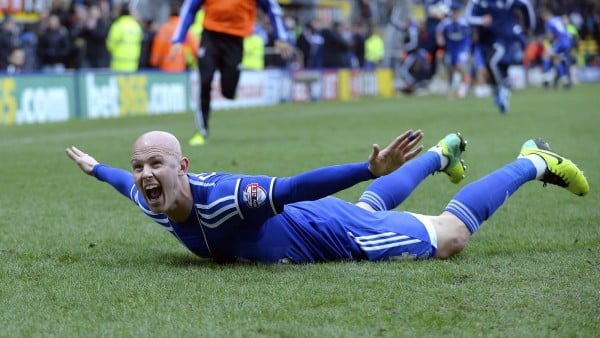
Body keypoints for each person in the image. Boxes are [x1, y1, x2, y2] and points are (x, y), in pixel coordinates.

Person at [65, 129, 589, 264]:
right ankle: (440, 155)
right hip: (321, 219)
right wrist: (97, 169)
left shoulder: (227, 197)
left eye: (155, 164)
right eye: (139, 166)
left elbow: (295, 187)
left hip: (327, 232)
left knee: (449, 237)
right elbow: (118, 179)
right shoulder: (146, 195)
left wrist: (367, 167)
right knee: (371, 206)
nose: (143, 175)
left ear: (182, 168)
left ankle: (533, 160)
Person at [171, 0, 293, 146]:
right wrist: (178, 39)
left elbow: (272, 8)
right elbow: (190, 8)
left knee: (228, 92)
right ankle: (202, 131)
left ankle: (231, 89)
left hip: (235, 39)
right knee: (204, 80)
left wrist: (281, 37)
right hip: (210, 36)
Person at [465, 0, 536, 113]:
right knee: (492, 66)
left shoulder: (506, 2)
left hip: (504, 40)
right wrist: (481, 20)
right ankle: (500, 90)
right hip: (486, 42)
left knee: (493, 62)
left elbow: (525, 4)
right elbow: (468, 17)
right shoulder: (478, 2)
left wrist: (529, 26)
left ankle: (502, 89)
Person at [150, 1, 199, 72]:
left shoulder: (164, 29)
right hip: (181, 70)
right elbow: (196, 49)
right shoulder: (184, 29)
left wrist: (154, 63)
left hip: (165, 70)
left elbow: (157, 50)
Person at [436, 3, 472, 99]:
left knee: (459, 66)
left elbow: (470, 34)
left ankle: (464, 86)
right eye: (453, 12)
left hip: (462, 48)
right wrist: (440, 39)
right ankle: (452, 86)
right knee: (451, 69)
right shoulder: (446, 23)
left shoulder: (464, 23)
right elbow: (438, 32)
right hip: (451, 49)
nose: (454, 14)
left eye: (456, 12)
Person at [540, 7, 573, 89]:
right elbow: (566, 22)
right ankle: (565, 81)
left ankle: (546, 79)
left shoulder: (549, 22)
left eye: (543, 18)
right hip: (568, 41)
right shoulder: (558, 19)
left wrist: (543, 38)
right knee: (556, 59)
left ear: (545, 16)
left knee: (545, 55)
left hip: (561, 41)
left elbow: (550, 36)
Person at [106, 3, 143, 72]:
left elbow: (110, 45)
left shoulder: (118, 25)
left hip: (118, 64)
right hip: (133, 64)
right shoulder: (136, 26)